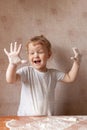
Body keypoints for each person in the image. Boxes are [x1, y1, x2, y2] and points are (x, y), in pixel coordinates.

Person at [4, 35, 81, 116]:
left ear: (49, 55)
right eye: (32, 53)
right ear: (28, 56)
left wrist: (77, 63)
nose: (36, 55)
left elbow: (70, 78)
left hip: (46, 119)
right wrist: (12, 65)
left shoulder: (53, 74)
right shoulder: (27, 71)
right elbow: (10, 80)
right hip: (25, 118)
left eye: (40, 52)